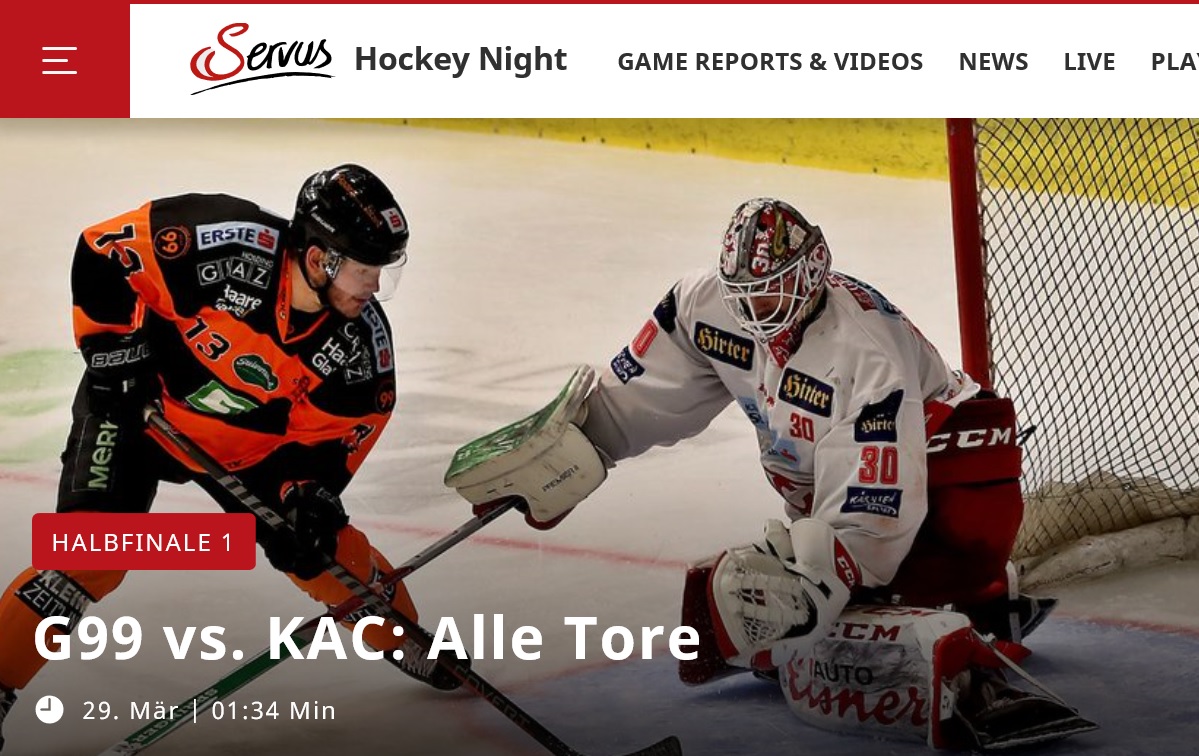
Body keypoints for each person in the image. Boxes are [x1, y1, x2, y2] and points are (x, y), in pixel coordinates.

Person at [446, 198, 1092, 749]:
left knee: (787, 601)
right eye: (744, 293)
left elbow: (876, 508)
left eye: (772, 288)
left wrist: (823, 578)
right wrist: (573, 452)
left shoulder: (863, 351)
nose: (756, 308)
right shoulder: (701, 304)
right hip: (868, 489)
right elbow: (639, 398)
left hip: (960, 489)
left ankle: (963, 635)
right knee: (741, 600)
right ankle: (966, 603)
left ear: (813, 272)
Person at [0, 164, 461, 752]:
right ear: (318, 257)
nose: (374, 287)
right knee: (87, 555)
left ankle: (404, 638)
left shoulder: (358, 350)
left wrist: (309, 496)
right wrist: (115, 357)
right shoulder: (219, 244)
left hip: (251, 449)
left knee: (323, 553)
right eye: (364, 270)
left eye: (382, 272)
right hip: (141, 410)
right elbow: (103, 251)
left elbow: (338, 439)